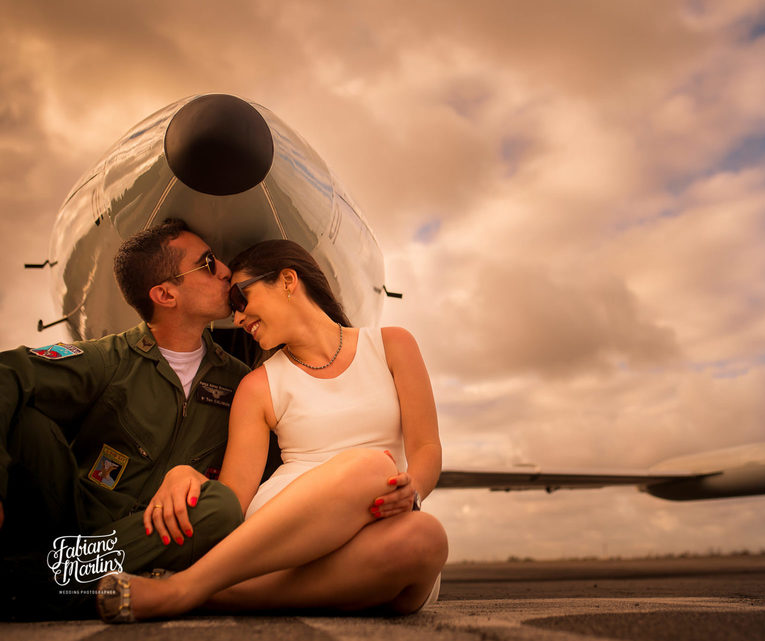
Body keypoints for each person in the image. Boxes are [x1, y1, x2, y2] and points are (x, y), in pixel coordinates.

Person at [96, 239, 448, 621]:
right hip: (282, 536)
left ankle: (204, 591)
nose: (238, 318)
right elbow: (233, 497)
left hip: (385, 526)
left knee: (426, 538)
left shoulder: (392, 345)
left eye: (241, 298)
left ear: (287, 280)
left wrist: (412, 490)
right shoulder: (258, 385)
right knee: (374, 468)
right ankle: (187, 589)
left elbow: (426, 446)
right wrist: (184, 474)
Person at [0, 218, 249, 619]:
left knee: (220, 507)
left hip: (152, 535)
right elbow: (6, 372)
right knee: (25, 423)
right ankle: (59, 583)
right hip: (71, 522)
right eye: (207, 264)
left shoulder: (241, 383)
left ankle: (26, 582)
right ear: (165, 294)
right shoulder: (110, 359)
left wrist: (194, 476)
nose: (226, 271)